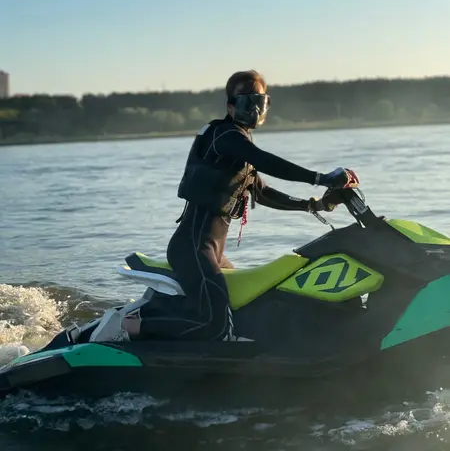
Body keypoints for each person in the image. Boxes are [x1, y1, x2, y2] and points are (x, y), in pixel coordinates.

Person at [121, 70, 359, 342]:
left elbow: (264, 193)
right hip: (192, 248)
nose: (255, 109)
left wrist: (314, 205)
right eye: (247, 101)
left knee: (242, 310)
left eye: (260, 101)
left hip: (213, 252)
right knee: (216, 326)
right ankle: (131, 327)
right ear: (230, 106)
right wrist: (321, 178)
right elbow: (266, 160)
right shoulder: (223, 136)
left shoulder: (241, 148)